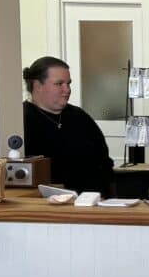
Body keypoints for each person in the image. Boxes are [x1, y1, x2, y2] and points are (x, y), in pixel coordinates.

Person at [22, 56, 114, 194]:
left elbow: (104, 161)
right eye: (59, 84)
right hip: (48, 201)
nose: (67, 90)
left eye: (68, 83)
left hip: (94, 199)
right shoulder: (22, 119)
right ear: (37, 85)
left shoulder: (79, 116)